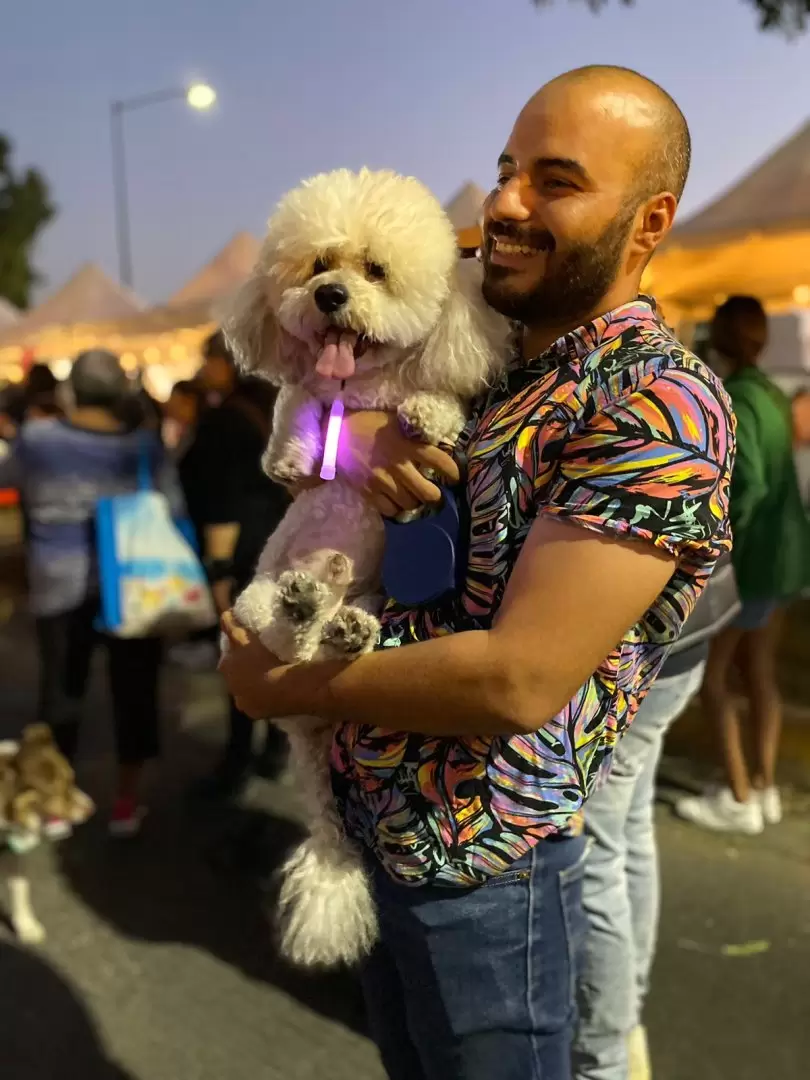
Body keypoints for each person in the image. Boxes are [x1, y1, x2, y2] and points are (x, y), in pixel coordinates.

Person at [219, 66, 734, 1080]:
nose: (503, 202)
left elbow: (517, 682)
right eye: (505, 170)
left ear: (648, 218)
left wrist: (279, 684)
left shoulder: (661, 407)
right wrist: (347, 437)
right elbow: (311, 406)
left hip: (482, 861)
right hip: (377, 818)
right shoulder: (498, 340)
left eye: (556, 180)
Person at [0, 350, 183, 836]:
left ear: (71, 391)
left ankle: (55, 801)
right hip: (136, 587)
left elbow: (6, 480)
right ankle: (126, 802)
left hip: (58, 587)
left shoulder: (38, 440)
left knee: (61, 697)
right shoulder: (144, 446)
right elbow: (173, 506)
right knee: (135, 694)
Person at [573, 553, 740, 1080]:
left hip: (635, 641)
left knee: (594, 856)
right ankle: (624, 1024)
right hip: (684, 631)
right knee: (625, 831)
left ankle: (603, 1058)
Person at [677, 297, 810, 835]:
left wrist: (712, 549)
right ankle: (761, 785)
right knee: (760, 676)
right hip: (787, 558)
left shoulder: (734, 397)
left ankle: (737, 796)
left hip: (752, 563)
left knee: (713, 680)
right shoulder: (775, 395)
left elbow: (747, 485)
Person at [185, 332, 291, 798]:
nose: (204, 367)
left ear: (230, 362)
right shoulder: (280, 409)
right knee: (281, 648)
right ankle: (275, 748)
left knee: (241, 654)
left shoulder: (223, 420)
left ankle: (238, 759)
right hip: (286, 545)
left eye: (209, 358)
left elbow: (223, 499)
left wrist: (219, 570)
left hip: (246, 552)